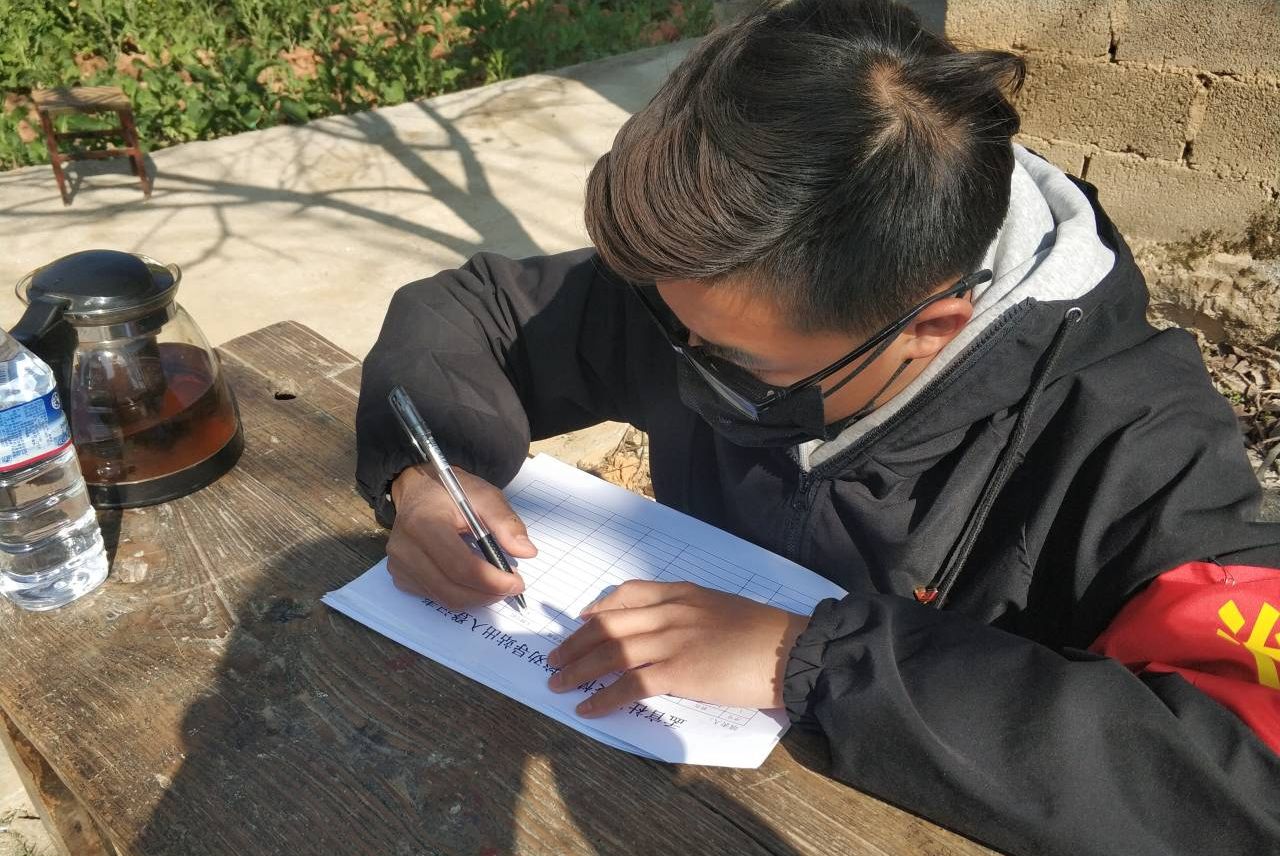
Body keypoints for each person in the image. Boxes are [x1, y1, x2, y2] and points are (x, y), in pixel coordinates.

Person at [354, 1, 1280, 852]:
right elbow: (477, 312)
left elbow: (1242, 782)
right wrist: (428, 474)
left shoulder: (1136, 443)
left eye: (739, 368)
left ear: (929, 329)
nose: (680, 356)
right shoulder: (728, 291)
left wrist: (809, 659)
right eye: (666, 321)